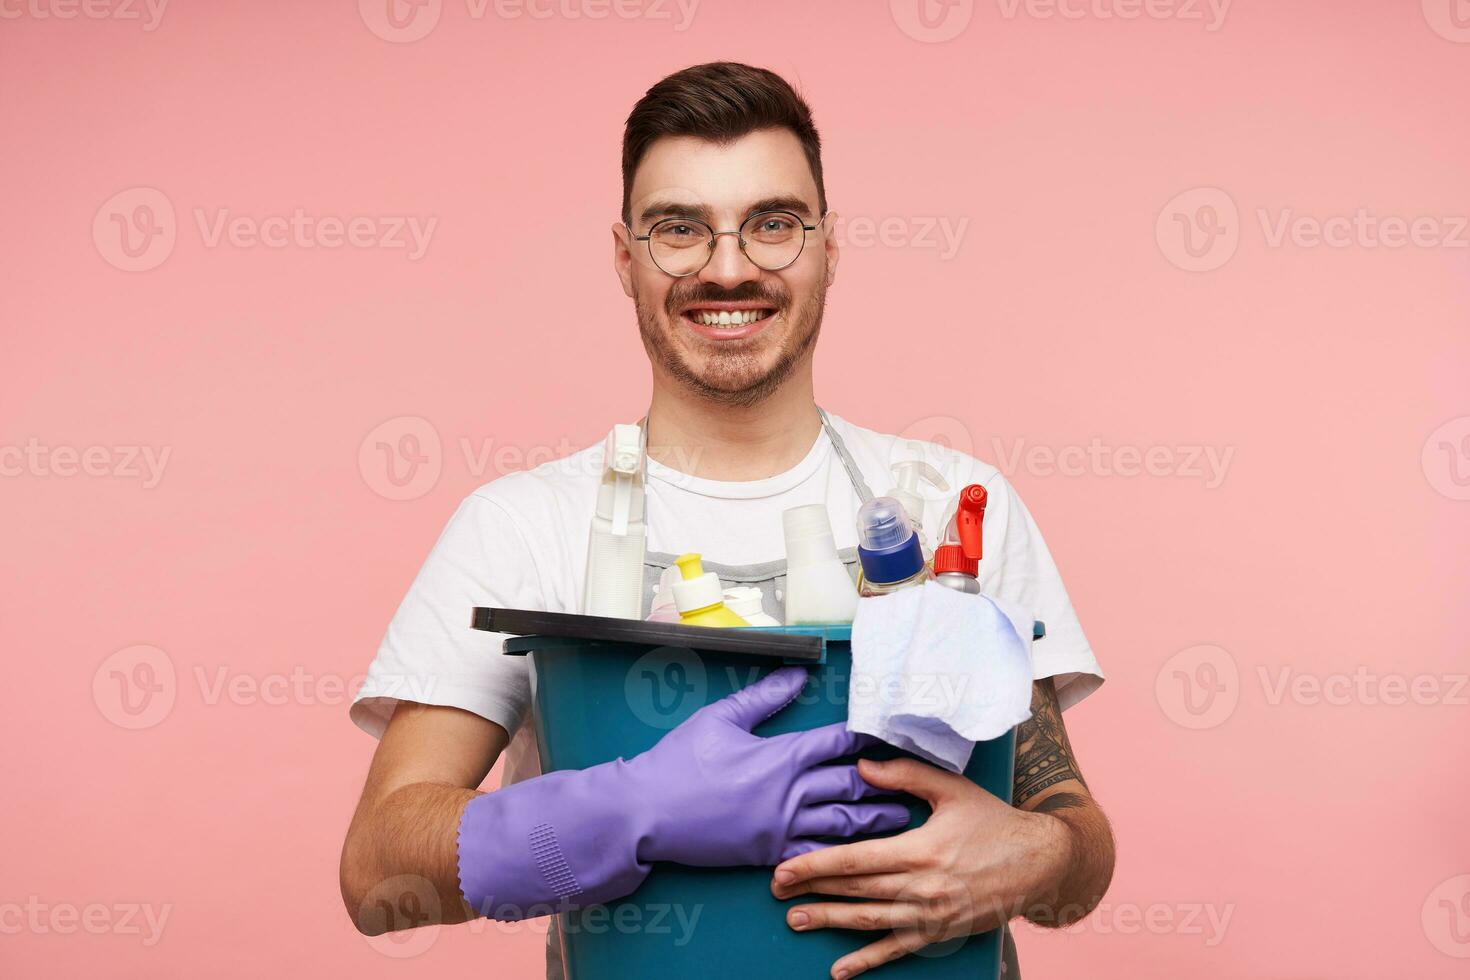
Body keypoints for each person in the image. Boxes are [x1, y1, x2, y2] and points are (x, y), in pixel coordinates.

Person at [340, 61, 1114, 980]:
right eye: (679, 230)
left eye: (774, 225)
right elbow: (379, 875)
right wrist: (631, 812)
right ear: (625, 259)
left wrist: (1040, 855)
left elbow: (1075, 859)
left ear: (830, 246)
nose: (729, 268)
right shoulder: (520, 527)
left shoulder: (950, 503)